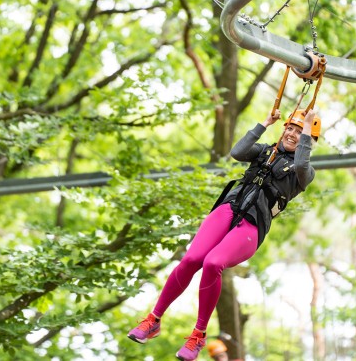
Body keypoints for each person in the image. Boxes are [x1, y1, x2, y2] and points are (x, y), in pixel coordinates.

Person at [127, 108, 318, 361]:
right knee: (191, 259)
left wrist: (306, 128)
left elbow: (302, 162)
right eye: (290, 129)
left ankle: (199, 334)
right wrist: (265, 123)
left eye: (299, 131)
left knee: (213, 262)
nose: (293, 134)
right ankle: (153, 319)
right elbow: (237, 152)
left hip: (252, 225)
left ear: (308, 140)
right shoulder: (264, 151)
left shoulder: (303, 172)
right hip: (228, 209)